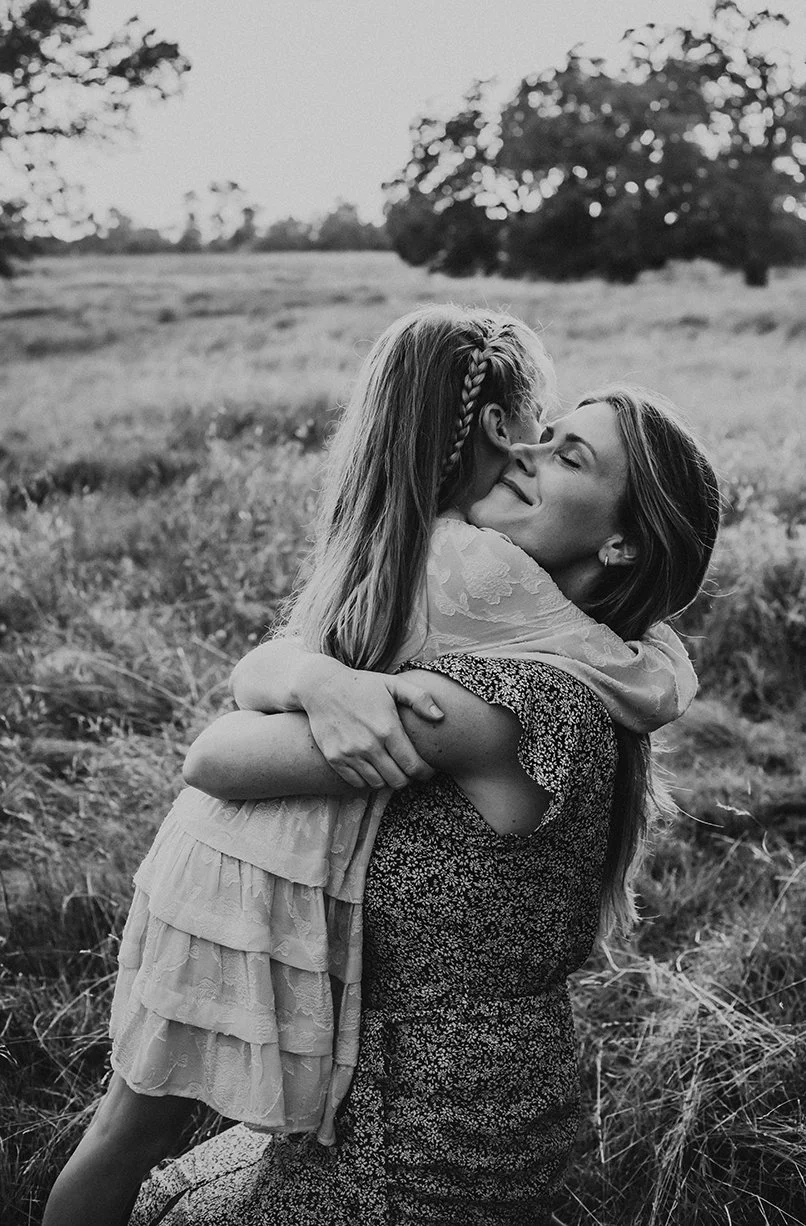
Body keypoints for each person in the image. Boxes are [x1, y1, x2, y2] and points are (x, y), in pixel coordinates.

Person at [41, 305, 706, 1224]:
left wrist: (310, 681)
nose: (524, 453)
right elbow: (279, 661)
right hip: (401, 1096)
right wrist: (311, 676)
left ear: (620, 541)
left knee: (157, 1201)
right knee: (163, 1192)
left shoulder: (506, 703)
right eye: (540, 433)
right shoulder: (570, 656)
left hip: (421, 1142)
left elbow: (217, 757)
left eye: (568, 456)